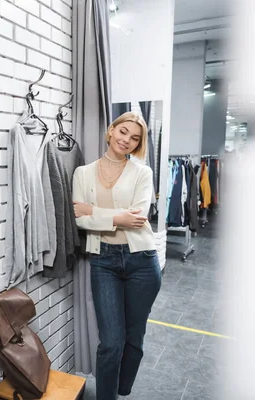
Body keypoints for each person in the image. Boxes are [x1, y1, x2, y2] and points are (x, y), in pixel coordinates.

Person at [72, 112, 161, 400]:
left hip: (142, 261)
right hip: (104, 261)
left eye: (135, 138)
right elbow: (78, 219)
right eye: (123, 132)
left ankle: (122, 389)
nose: (127, 140)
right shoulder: (83, 173)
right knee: (111, 341)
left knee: (134, 338)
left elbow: (137, 217)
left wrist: (93, 212)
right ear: (111, 131)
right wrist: (116, 217)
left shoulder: (143, 173)